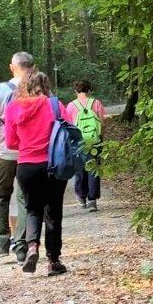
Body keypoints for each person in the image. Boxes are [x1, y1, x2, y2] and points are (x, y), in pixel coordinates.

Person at [4, 69, 68, 277]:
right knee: (53, 212)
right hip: (53, 164)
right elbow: (68, 131)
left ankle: (32, 247)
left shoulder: (13, 108)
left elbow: (11, 142)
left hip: (26, 166)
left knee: (32, 209)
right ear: (46, 86)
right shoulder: (54, 105)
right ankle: (53, 261)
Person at [0, 52, 34, 263]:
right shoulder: (39, 88)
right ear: (33, 68)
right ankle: (22, 246)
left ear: (12, 67)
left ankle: (1, 244)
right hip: (29, 152)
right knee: (25, 198)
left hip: (4, 151)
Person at [64, 80, 106, 211]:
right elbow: (102, 123)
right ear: (89, 90)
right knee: (93, 168)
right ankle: (92, 200)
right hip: (94, 141)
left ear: (75, 91)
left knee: (79, 169)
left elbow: (68, 126)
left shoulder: (71, 106)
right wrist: (100, 138)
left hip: (78, 142)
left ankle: (81, 197)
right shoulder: (96, 103)